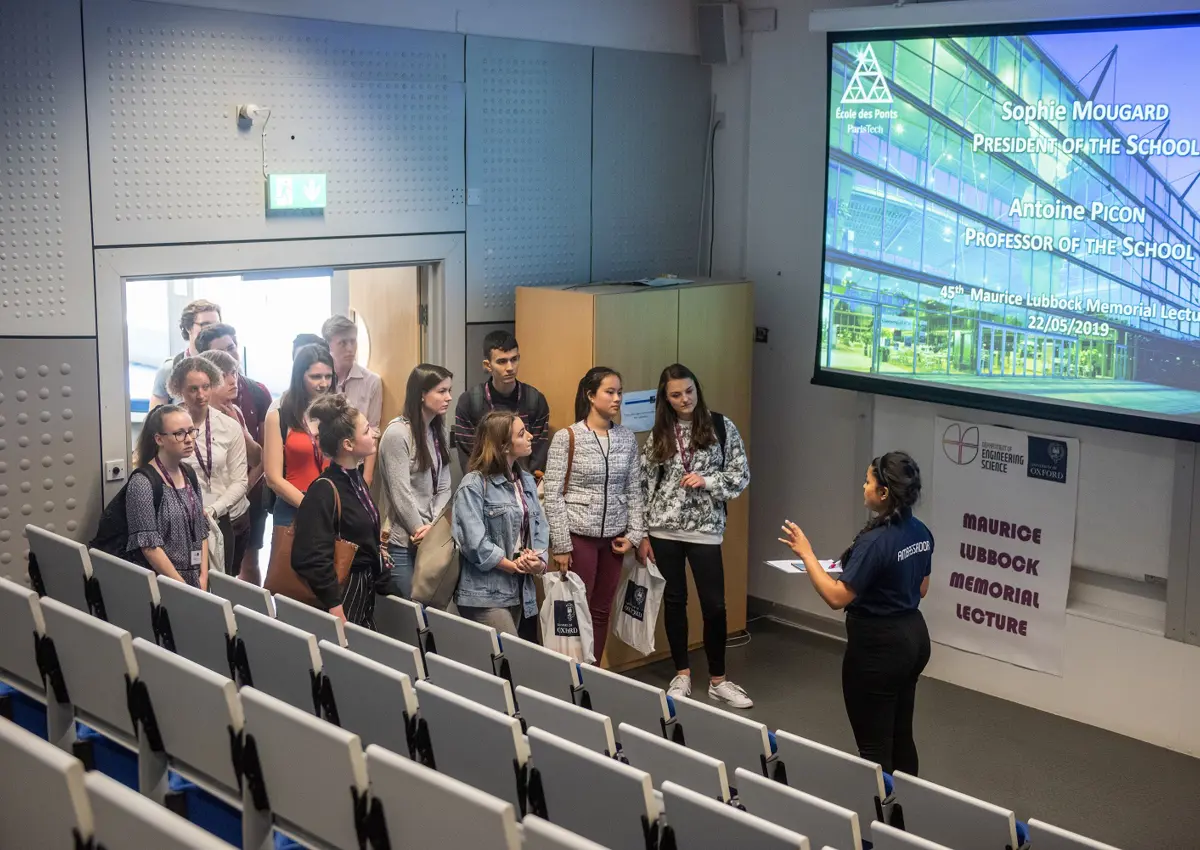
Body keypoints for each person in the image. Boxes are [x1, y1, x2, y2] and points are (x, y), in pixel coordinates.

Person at [779, 451, 932, 775]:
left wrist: (806, 554)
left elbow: (837, 597)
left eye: (867, 481)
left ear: (884, 493)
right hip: (914, 640)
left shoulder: (875, 542)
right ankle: (907, 814)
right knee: (901, 734)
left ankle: (882, 822)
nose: (863, 487)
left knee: (874, 749)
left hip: (879, 649)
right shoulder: (920, 531)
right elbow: (921, 589)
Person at [639, 364, 753, 709]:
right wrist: (642, 533)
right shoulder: (659, 431)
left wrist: (707, 482)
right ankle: (682, 674)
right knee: (674, 601)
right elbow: (644, 483)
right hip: (663, 529)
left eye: (689, 391)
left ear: (696, 389)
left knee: (714, 605)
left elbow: (740, 474)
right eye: (675, 395)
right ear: (666, 398)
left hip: (705, 530)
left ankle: (718, 680)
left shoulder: (721, 426)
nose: (684, 399)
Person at [543, 367, 645, 663]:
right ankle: (571, 676)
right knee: (576, 609)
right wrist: (561, 545)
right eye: (609, 392)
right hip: (579, 537)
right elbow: (553, 494)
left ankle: (593, 671)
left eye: (619, 392)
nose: (617, 399)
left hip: (614, 538)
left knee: (601, 610)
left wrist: (635, 535)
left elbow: (635, 491)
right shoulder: (568, 437)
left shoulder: (626, 438)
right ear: (590, 395)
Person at [452, 411, 548, 634]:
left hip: (521, 590)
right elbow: (474, 543)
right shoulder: (473, 484)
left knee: (513, 659)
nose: (531, 437)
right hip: (484, 593)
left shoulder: (526, 480)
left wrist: (540, 561)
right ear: (504, 446)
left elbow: (539, 527)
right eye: (522, 434)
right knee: (505, 662)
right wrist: (511, 565)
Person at [291, 395, 383, 627]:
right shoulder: (324, 490)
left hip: (363, 585)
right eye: (366, 430)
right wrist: (333, 603)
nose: (374, 433)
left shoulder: (355, 480)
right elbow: (311, 555)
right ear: (348, 445)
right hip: (341, 592)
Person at [196, 323, 272, 584]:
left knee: (242, 569)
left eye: (234, 372)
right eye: (224, 373)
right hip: (204, 510)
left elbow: (259, 456)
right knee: (204, 577)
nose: (233, 380)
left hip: (242, 504)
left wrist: (245, 487)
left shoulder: (253, 395)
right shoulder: (186, 416)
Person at [376, 364, 453, 599]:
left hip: (429, 536)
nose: (449, 397)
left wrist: (433, 527)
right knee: (410, 612)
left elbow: (444, 486)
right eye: (441, 391)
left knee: (429, 609)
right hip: (402, 539)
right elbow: (401, 494)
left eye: (449, 390)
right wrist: (420, 529)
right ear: (421, 393)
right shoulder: (398, 433)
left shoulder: (437, 431)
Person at [170, 357, 249, 575]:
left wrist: (214, 509)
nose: (201, 395)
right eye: (193, 389)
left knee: (226, 585)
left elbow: (241, 480)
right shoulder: (168, 424)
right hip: (182, 519)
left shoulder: (229, 426)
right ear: (179, 389)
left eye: (205, 387)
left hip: (227, 518)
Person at [125, 404, 210, 588]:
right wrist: (183, 587)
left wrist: (203, 576)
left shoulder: (189, 475)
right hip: (164, 583)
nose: (189, 440)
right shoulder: (142, 482)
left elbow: (201, 529)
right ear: (159, 439)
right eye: (179, 434)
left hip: (195, 580)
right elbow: (149, 548)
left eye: (191, 431)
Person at [452, 330, 551, 474]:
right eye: (502, 361)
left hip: (523, 485)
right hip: (484, 487)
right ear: (488, 365)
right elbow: (469, 457)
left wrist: (524, 488)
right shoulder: (470, 401)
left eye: (514, 359)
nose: (510, 368)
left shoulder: (534, 400)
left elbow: (537, 454)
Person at [263, 344, 336, 535]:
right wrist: (311, 507)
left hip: (334, 504)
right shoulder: (278, 417)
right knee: (288, 565)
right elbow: (273, 478)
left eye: (328, 376)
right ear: (299, 377)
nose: (323, 383)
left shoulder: (339, 414)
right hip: (292, 506)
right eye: (315, 377)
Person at [322, 315, 382, 484]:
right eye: (342, 343)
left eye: (353, 341)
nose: (350, 348)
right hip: (324, 463)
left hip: (357, 465)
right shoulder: (321, 381)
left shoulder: (372, 381)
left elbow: (374, 430)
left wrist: (367, 478)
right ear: (329, 345)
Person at [149, 299, 222, 407]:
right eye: (205, 325)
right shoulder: (169, 369)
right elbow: (154, 420)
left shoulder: (228, 368)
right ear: (188, 328)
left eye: (216, 326)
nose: (212, 331)